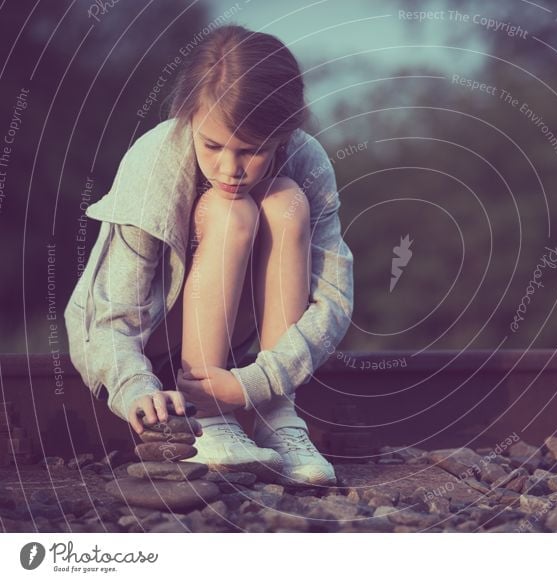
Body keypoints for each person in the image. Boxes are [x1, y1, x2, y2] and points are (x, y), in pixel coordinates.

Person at [63, 25, 354, 487]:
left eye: (252, 151)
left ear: (284, 135)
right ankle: (210, 419)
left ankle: (277, 419)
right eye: (212, 145)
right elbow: (108, 319)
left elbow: (333, 297)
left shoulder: (306, 159)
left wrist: (259, 383)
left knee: (286, 201)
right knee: (229, 210)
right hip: (161, 359)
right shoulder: (154, 162)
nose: (229, 168)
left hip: (248, 366)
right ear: (189, 119)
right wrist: (135, 387)